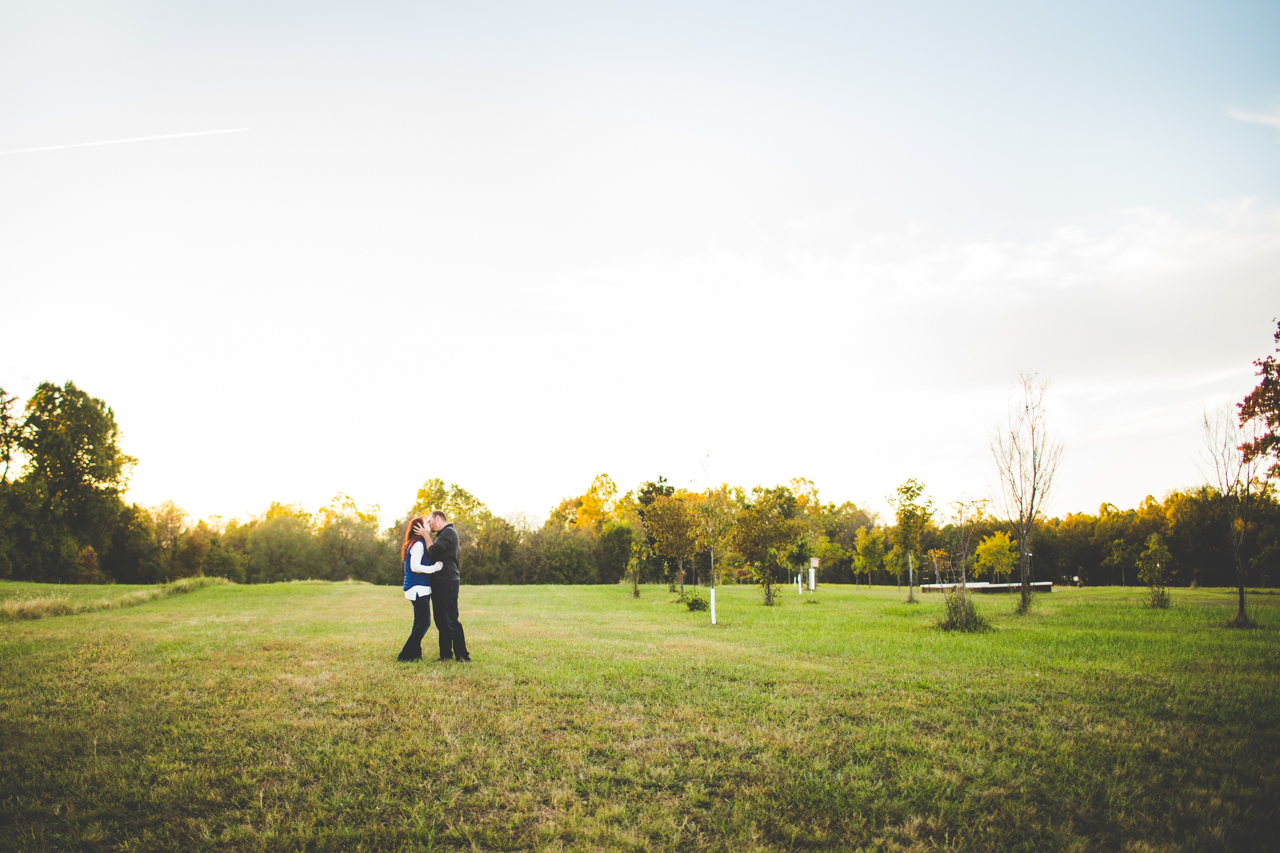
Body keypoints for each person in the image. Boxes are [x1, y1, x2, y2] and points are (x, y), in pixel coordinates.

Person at [413, 510, 470, 662]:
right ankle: (445, 654)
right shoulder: (441, 535)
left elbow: (433, 552)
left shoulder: (448, 532)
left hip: (448, 581)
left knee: (450, 619)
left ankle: (463, 655)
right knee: (440, 620)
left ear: (437, 518)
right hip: (438, 582)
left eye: (430, 522)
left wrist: (426, 536)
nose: (429, 527)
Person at [398, 515, 443, 662]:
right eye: (426, 524)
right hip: (417, 588)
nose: (429, 525)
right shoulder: (418, 544)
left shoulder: (420, 542)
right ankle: (405, 655)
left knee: (418, 622)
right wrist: (434, 568)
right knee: (425, 622)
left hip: (418, 587)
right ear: (419, 528)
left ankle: (415, 655)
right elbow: (415, 567)